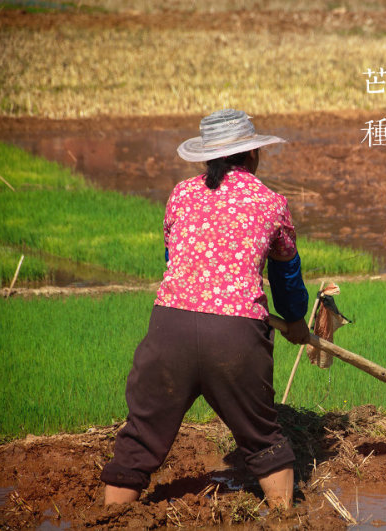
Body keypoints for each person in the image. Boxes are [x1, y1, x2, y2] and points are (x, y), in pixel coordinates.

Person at [100, 109, 310, 509]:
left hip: (169, 330)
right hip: (234, 338)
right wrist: (296, 321)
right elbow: (286, 278)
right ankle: (286, 518)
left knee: (139, 441)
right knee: (263, 438)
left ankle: (111, 518)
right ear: (252, 155)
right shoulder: (270, 202)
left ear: (207, 157)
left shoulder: (181, 194)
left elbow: (172, 259)